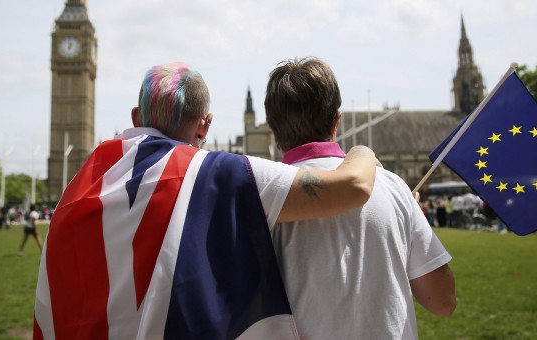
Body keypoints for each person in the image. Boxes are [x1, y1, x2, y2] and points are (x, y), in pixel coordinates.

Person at [33, 61, 380, 339]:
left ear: (136, 118)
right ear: (205, 125)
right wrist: (361, 150)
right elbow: (353, 186)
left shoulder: (84, 180)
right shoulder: (216, 173)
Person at [265, 57, 456, 339]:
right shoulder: (394, 188)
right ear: (337, 120)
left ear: (272, 126)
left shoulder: (261, 196)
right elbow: (443, 302)